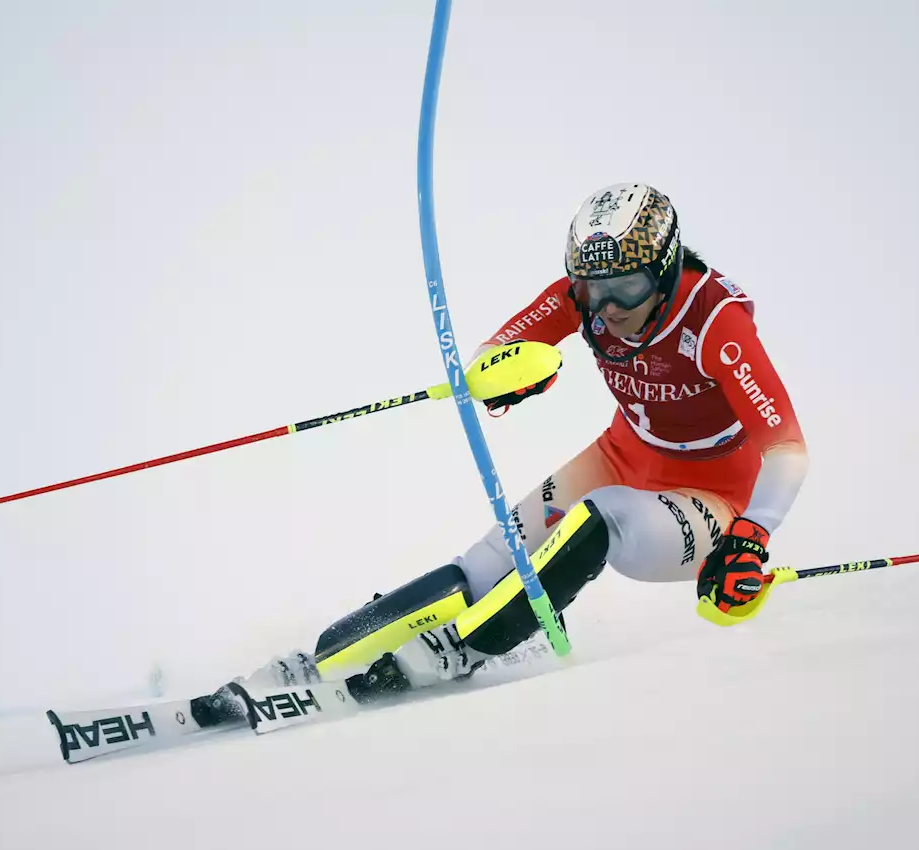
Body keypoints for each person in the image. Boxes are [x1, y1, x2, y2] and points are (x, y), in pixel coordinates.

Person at [227, 182, 809, 704]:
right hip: (624, 455)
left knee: (601, 517)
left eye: (626, 290)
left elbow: (787, 447)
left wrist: (752, 535)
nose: (607, 311)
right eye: (592, 290)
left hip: (714, 502)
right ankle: (327, 656)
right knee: (492, 558)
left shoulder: (715, 321)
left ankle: (467, 648)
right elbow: (497, 353)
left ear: (665, 269)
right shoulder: (586, 301)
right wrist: (506, 375)